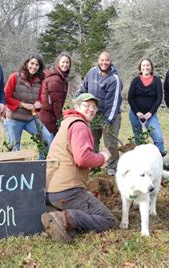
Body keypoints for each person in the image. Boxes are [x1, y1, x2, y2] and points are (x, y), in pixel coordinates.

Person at [41, 93, 116, 242]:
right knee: (108, 220)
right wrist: (103, 156)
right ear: (76, 107)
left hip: (50, 190)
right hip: (68, 191)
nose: (91, 109)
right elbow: (82, 159)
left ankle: (53, 212)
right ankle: (63, 218)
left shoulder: (67, 122)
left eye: (94, 107)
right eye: (87, 106)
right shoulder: (80, 126)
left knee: (82, 221)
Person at [75, 51, 123, 176]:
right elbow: (83, 87)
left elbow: (113, 103)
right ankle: (93, 164)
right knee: (92, 140)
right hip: (93, 113)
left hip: (111, 115)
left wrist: (108, 121)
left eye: (107, 60)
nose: (104, 63)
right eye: (102, 60)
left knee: (110, 142)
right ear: (98, 60)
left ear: (110, 61)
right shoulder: (92, 72)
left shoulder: (114, 79)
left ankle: (112, 166)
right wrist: (77, 98)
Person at [3, 53, 53, 158]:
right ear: (26, 63)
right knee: (14, 148)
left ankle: (41, 166)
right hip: (14, 118)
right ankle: (15, 172)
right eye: (32, 63)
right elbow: (6, 97)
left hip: (31, 118)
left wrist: (40, 102)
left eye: (37, 65)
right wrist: (23, 105)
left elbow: (42, 97)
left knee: (47, 138)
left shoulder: (40, 80)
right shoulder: (14, 77)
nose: (34, 67)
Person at [127, 57, 166, 156]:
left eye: (148, 65)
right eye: (143, 65)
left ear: (151, 67)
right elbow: (130, 98)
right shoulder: (135, 80)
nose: (146, 67)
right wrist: (137, 112)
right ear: (140, 67)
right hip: (135, 114)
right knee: (139, 138)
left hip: (150, 114)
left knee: (158, 137)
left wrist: (151, 112)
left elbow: (159, 98)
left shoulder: (156, 80)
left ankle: (161, 159)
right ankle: (142, 160)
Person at [39, 52, 72, 135]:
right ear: (58, 63)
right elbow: (56, 103)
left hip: (51, 116)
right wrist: (60, 120)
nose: (65, 64)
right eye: (63, 62)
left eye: (67, 62)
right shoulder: (55, 80)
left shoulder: (61, 78)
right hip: (48, 116)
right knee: (49, 143)